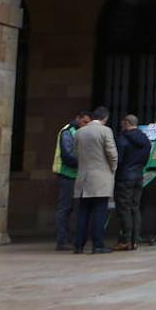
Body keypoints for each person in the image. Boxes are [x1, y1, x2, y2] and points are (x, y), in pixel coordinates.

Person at [73, 106, 118, 254]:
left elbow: (76, 153)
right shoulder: (106, 131)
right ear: (105, 118)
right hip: (100, 176)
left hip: (83, 177)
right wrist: (112, 169)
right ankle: (97, 244)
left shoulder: (79, 132)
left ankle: (78, 244)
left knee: (83, 213)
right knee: (99, 212)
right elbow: (112, 154)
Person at [113, 114, 152, 251]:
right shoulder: (145, 139)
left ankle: (126, 240)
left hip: (124, 177)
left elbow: (119, 159)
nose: (121, 125)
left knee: (124, 208)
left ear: (127, 123)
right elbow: (147, 158)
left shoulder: (123, 138)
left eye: (122, 122)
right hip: (138, 175)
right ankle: (134, 240)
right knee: (135, 207)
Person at [52, 111, 89, 250]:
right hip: (67, 174)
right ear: (78, 119)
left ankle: (73, 237)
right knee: (65, 208)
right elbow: (67, 154)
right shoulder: (68, 131)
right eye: (84, 122)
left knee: (76, 208)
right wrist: (84, 162)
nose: (86, 125)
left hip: (77, 174)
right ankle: (62, 240)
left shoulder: (79, 131)